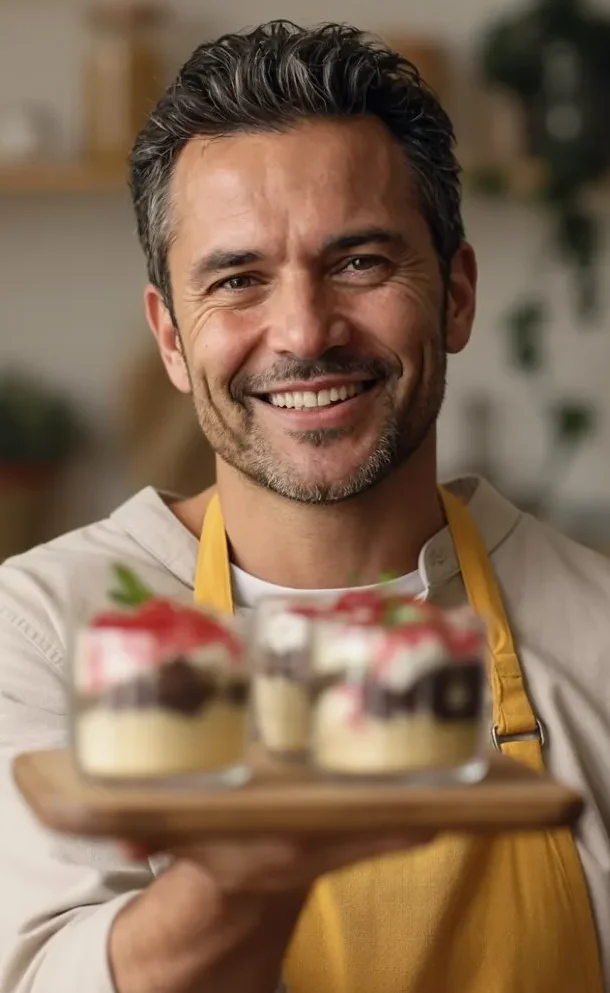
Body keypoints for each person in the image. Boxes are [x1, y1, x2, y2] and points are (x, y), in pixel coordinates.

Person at [0, 19, 609, 993]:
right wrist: (246, 870)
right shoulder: (39, 630)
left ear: (454, 296)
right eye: (238, 279)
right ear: (169, 336)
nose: (302, 331)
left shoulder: (598, 633)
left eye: (360, 262)